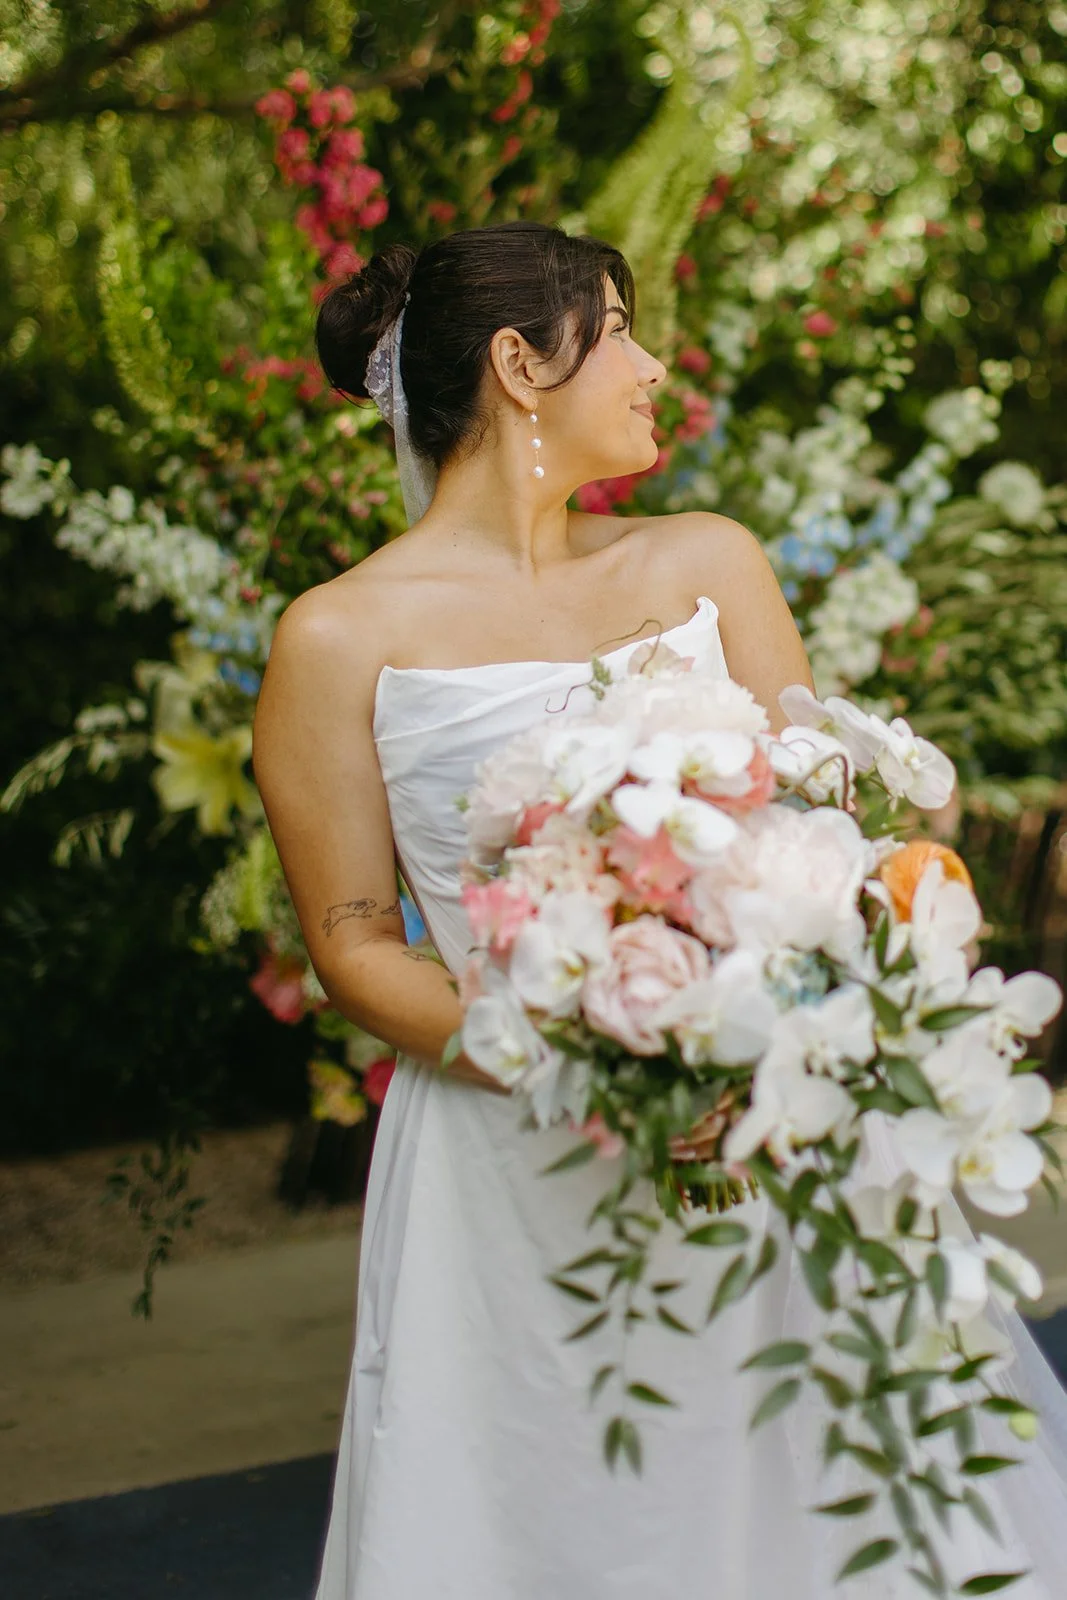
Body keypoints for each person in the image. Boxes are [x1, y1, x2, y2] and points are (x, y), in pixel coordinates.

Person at [252, 222, 1067, 1598]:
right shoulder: (335, 638)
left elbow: (833, 828)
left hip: (764, 1131)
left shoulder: (707, 562)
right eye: (615, 328)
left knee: (813, 1491)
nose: (649, 363)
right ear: (520, 363)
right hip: (510, 1156)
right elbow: (350, 942)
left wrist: (814, 1002)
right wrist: (591, 1060)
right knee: (554, 1514)